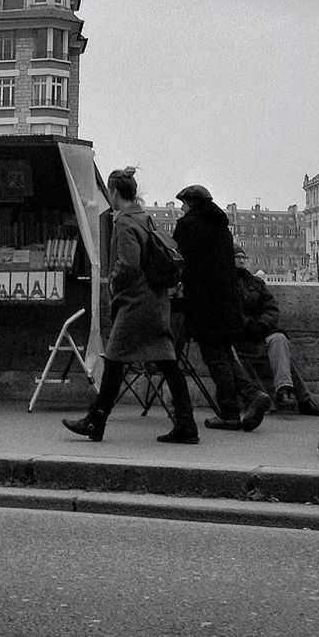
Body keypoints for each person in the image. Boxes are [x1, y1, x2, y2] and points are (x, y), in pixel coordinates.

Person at [63, 167, 199, 444]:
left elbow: (128, 264)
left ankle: (96, 420)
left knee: (114, 361)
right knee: (168, 363)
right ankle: (186, 424)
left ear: (113, 192)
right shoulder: (145, 217)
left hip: (135, 304)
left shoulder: (124, 222)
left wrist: (113, 283)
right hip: (157, 301)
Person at [172, 184, 270, 432]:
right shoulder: (221, 226)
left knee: (215, 359)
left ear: (191, 203)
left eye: (183, 204)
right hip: (228, 302)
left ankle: (229, 413)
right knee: (225, 354)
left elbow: (180, 261)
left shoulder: (189, 225)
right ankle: (252, 394)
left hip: (205, 303)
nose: (181, 209)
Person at [231, 246, 319, 416]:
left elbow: (271, 309)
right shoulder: (226, 284)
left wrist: (262, 325)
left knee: (279, 339)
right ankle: (302, 398)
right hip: (241, 335)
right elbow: (231, 312)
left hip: (260, 332)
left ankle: (283, 390)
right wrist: (249, 324)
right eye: (238, 257)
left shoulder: (257, 283)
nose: (242, 260)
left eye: (244, 257)